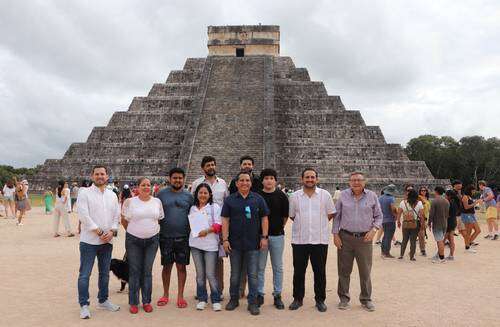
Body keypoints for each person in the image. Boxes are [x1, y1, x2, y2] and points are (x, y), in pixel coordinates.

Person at [333, 171, 382, 312]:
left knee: (365, 271)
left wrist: (374, 230)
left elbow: (379, 216)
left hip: (364, 238)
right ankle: (343, 298)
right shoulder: (343, 195)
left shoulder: (372, 196)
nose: (356, 182)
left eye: (359, 180)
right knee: (343, 270)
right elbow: (337, 217)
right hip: (345, 237)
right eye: (353, 180)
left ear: (364, 182)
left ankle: (366, 299)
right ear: (349, 182)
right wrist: (335, 234)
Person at [221, 171, 269, 316]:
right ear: (236, 183)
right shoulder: (230, 200)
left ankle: (253, 302)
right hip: (234, 243)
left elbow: (264, 218)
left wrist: (264, 237)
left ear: (251, 182)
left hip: (253, 243)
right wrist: (225, 239)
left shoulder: (258, 199)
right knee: (235, 274)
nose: (244, 183)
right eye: (241, 180)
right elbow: (225, 220)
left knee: (253, 274)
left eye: (247, 180)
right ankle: (234, 299)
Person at [76, 165, 121, 319]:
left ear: (107, 176)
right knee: (84, 275)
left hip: (107, 242)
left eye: (102, 174)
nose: (100, 176)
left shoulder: (112, 195)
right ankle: (84, 305)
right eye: (97, 174)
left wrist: (112, 231)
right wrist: (99, 231)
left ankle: (103, 300)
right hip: (89, 241)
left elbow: (116, 216)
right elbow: (83, 215)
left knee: (104, 274)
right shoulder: (85, 193)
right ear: (92, 176)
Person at [288, 168, 335, 312]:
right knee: (299, 271)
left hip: (319, 240)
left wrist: (317, 225)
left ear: (317, 179)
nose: (310, 180)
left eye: (312, 177)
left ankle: (320, 300)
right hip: (300, 240)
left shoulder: (325, 195)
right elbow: (292, 216)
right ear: (302, 179)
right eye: (307, 177)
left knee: (320, 271)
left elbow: (330, 214)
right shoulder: (295, 196)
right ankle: (297, 298)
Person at [121, 177, 163, 314]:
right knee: (134, 271)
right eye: (143, 185)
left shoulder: (157, 201)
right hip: (134, 241)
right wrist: (134, 232)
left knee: (147, 271)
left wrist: (149, 231)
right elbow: (124, 220)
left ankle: (146, 301)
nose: (146, 187)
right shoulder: (130, 202)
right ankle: (133, 302)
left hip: (152, 240)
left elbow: (159, 219)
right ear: (137, 187)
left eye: (148, 185)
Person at [190, 156, 229, 298]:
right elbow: (193, 204)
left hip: (217, 226)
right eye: (208, 165)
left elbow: (226, 204)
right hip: (200, 228)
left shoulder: (223, 183)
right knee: (200, 262)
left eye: (213, 164)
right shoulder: (196, 183)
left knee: (218, 261)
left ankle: (218, 290)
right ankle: (201, 291)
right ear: (203, 168)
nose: (211, 167)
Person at [156, 168, 194, 309]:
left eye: (180, 178)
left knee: (181, 267)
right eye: (175, 178)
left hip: (183, 237)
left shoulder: (189, 197)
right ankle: (165, 294)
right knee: (166, 266)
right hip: (165, 236)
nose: (177, 180)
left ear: (183, 179)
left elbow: (195, 215)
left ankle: (180, 296)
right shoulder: (161, 195)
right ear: (170, 179)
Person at [257, 168, 289, 309]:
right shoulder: (257, 195)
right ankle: (259, 294)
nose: (269, 180)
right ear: (262, 180)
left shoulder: (281, 196)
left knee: (278, 267)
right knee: (260, 267)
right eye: (266, 178)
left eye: (271, 178)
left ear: (275, 180)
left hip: (277, 236)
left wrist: (277, 228)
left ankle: (277, 294)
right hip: (259, 237)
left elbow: (285, 217)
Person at [188, 183, 222, 311]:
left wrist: (207, 231)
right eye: (200, 193)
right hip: (195, 244)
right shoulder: (192, 208)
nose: (203, 195)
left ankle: (216, 299)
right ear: (197, 194)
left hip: (210, 245)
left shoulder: (215, 207)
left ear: (210, 195)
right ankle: (202, 298)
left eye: (205, 193)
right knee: (200, 274)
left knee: (210, 273)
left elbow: (219, 225)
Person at [397, 189, 424, 261]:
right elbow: (421, 215)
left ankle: (401, 255)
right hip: (415, 223)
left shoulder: (403, 202)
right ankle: (412, 256)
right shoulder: (419, 203)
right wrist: (422, 224)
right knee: (413, 240)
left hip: (405, 223)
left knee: (404, 239)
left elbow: (399, 213)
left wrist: (398, 221)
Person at [428, 186, 449, 264]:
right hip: (444, 223)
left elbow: (431, 214)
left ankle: (441, 258)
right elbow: (447, 213)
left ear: (436, 191)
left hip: (437, 223)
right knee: (440, 240)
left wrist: (429, 223)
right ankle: (439, 255)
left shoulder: (434, 201)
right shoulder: (446, 201)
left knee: (439, 240)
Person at [379, 184, 398, 259]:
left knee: (384, 236)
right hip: (390, 220)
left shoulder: (380, 198)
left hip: (383, 219)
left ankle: (383, 252)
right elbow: (393, 209)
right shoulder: (391, 198)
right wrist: (396, 215)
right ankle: (387, 253)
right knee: (388, 237)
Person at [461, 185, 481, 253]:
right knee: (468, 232)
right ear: (470, 190)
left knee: (478, 230)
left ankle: (468, 243)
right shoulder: (465, 197)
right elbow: (466, 207)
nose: (474, 192)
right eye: (473, 190)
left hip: (471, 215)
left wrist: (475, 204)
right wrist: (475, 203)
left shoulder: (469, 197)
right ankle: (467, 247)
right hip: (466, 215)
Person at [445, 190, 460, 260]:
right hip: (453, 221)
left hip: (449, 222)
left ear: (449, 196)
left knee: (443, 239)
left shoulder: (449, 203)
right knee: (451, 239)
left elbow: (447, 214)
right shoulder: (455, 202)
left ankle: (439, 254)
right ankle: (451, 255)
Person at [417, 186, 430, 256]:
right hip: (421, 218)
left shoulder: (426, 198)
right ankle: (423, 250)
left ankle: (422, 249)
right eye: (422, 190)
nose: (423, 192)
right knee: (421, 235)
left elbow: (428, 210)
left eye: (425, 190)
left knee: (421, 235)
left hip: (426, 219)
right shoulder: (419, 198)